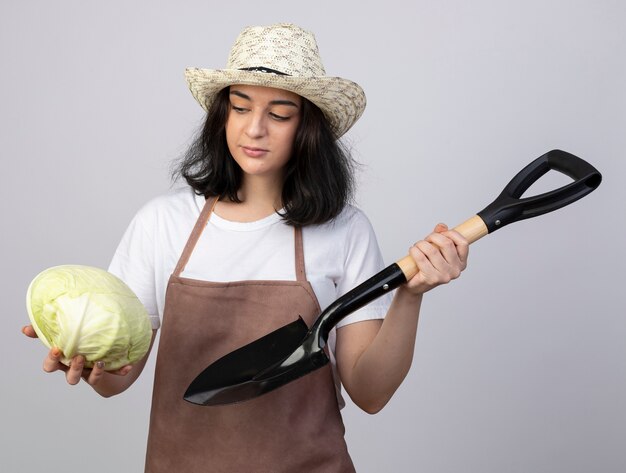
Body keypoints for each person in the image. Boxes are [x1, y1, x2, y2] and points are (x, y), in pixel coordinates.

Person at [23, 23, 468, 472]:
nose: (254, 129)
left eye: (279, 114)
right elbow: (118, 380)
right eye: (240, 107)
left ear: (307, 127)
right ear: (223, 115)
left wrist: (410, 296)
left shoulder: (344, 230)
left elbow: (370, 395)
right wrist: (89, 361)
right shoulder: (163, 223)